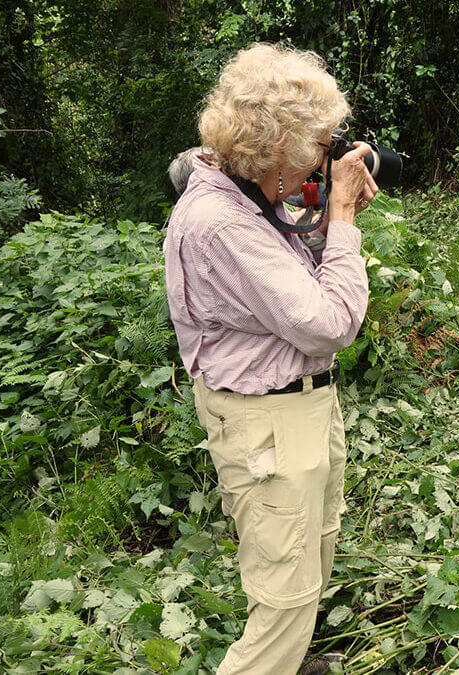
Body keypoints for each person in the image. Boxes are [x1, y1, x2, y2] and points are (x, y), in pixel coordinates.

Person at [163, 43, 377, 675]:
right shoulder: (218, 222)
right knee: (283, 598)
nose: (325, 157)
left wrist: (327, 221)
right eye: (318, 143)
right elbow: (328, 322)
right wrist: (338, 214)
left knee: (313, 549)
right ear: (278, 142)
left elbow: (290, 273)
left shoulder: (248, 188)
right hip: (267, 424)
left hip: (300, 407)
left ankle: (290, 664)